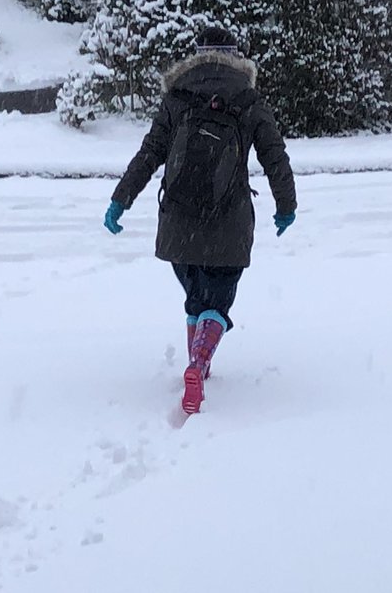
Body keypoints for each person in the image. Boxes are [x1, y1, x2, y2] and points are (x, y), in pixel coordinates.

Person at [103, 26, 297, 414]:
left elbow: (149, 154)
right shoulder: (247, 97)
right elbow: (274, 154)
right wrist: (286, 205)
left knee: (195, 293)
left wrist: (119, 200)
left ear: (197, 56)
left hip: (179, 220)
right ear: (235, 54)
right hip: (229, 221)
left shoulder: (177, 97)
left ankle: (198, 364)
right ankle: (199, 362)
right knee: (218, 298)